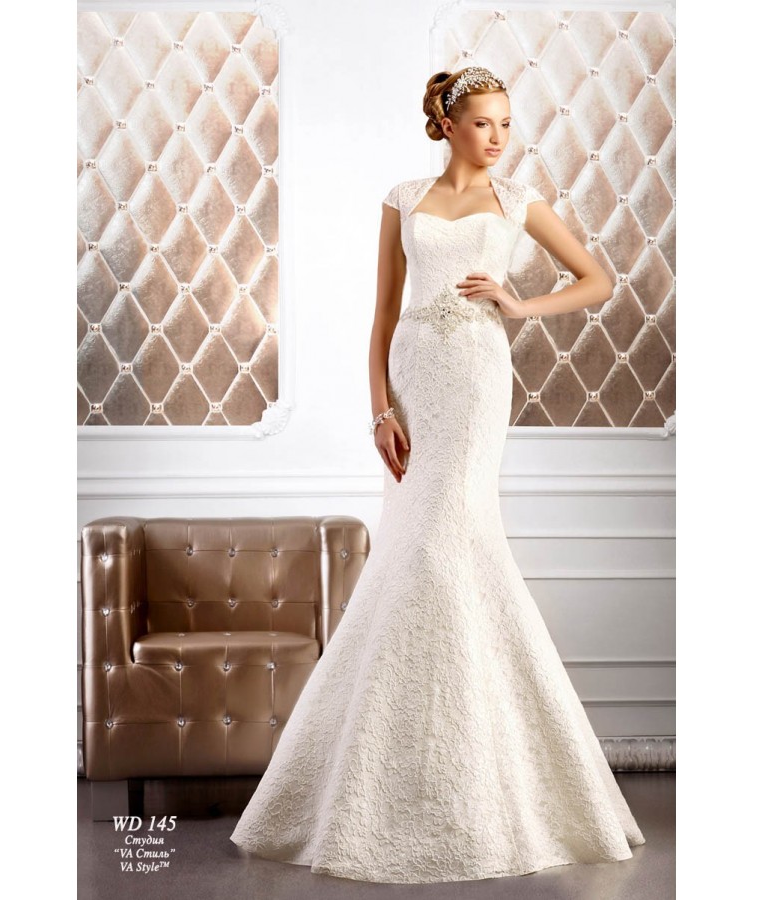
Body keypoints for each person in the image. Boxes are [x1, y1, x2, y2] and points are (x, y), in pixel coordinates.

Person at [229, 65, 646, 883]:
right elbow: (382, 314)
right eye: (484, 123)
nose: (499, 137)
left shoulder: (517, 200)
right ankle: (383, 771)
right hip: (414, 376)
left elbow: (598, 280)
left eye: (507, 124)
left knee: (447, 546)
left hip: (479, 379)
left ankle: (484, 772)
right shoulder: (403, 198)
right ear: (448, 125)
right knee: (412, 551)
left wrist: (520, 305)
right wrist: (379, 410)